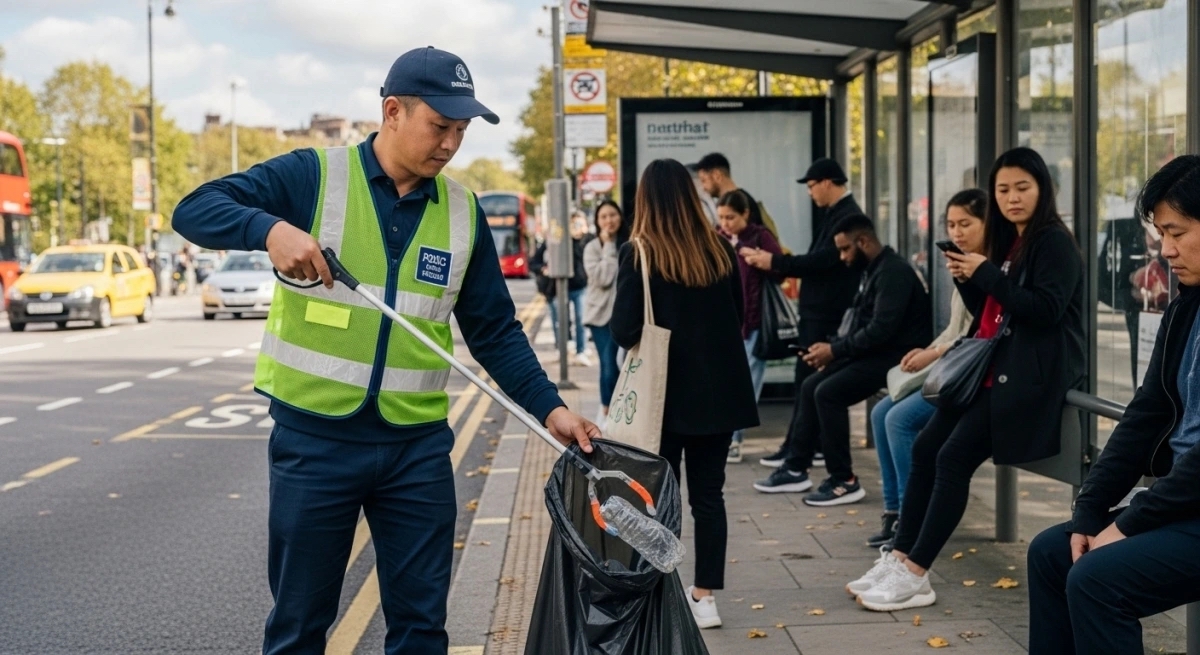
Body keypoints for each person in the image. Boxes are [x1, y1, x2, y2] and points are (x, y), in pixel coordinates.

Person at [171, 46, 598, 654]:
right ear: (392, 112)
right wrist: (270, 229)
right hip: (315, 443)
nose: (450, 144)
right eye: (440, 126)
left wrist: (550, 408)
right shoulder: (314, 176)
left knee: (421, 629)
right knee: (299, 626)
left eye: (462, 131)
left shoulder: (463, 213)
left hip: (416, 451)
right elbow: (193, 209)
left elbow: (495, 331)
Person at [852, 147, 1085, 612]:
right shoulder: (1013, 241)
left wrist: (986, 273)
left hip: (1023, 380)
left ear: (1042, 189)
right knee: (926, 448)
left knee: (953, 458)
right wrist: (968, 276)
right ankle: (899, 557)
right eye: (1003, 189)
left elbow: (1044, 311)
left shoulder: (1053, 242)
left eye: (1023, 188)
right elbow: (992, 315)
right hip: (988, 373)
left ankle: (916, 573)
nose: (1012, 198)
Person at [1026, 155, 1200, 655]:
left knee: (1098, 578)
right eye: (1160, 234)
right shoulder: (1186, 305)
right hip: (1183, 502)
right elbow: (1146, 412)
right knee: (1052, 553)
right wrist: (1090, 509)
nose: (1166, 250)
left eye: (1177, 232)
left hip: (1189, 502)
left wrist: (1126, 523)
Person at [610, 158, 757, 630]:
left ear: (646, 200)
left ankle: (660, 590)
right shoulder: (720, 250)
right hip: (720, 394)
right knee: (709, 497)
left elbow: (623, 329)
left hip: (665, 398)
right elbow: (738, 315)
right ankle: (705, 597)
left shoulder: (639, 254)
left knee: (658, 497)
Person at [751, 214, 931, 504]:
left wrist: (835, 351)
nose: (843, 257)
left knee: (828, 392)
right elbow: (864, 326)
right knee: (811, 385)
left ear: (864, 242)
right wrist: (833, 350)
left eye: (846, 249)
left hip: (899, 358)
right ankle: (796, 467)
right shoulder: (874, 270)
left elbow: (880, 330)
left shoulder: (893, 272)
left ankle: (843, 479)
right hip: (877, 353)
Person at [865, 189, 985, 549]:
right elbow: (954, 329)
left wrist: (932, 355)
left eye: (966, 224)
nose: (957, 232)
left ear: (986, 224)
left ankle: (910, 518)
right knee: (880, 413)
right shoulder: (962, 264)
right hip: (952, 368)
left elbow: (978, 336)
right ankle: (893, 511)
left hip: (969, 377)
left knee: (897, 420)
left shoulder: (987, 270)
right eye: (952, 225)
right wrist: (927, 351)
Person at [742, 158, 862, 470]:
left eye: (811, 186)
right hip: (818, 312)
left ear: (827, 182)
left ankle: (800, 454)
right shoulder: (836, 213)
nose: (810, 193)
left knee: (810, 383)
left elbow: (822, 261)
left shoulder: (849, 216)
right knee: (807, 384)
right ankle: (800, 447)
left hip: (826, 314)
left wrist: (775, 262)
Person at [716, 189, 783, 463]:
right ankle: (726, 436)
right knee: (725, 383)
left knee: (747, 386)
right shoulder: (717, 238)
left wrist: (760, 260)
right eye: (721, 218)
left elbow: (781, 270)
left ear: (745, 213)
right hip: (726, 324)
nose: (725, 224)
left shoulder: (760, 236)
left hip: (754, 323)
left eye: (730, 217)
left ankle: (734, 439)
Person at [583, 200, 629, 420]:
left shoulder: (629, 243)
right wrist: (609, 246)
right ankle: (608, 412)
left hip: (625, 315)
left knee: (625, 365)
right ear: (597, 221)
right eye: (603, 216)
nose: (609, 220)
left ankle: (622, 411)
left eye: (613, 215)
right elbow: (603, 278)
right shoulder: (592, 248)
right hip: (600, 317)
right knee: (609, 364)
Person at [530, 217, 591, 366]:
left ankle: (581, 351)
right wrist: (543, 269)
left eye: (578, 224)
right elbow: (534, 262)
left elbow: (583, 258)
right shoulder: (554, 241)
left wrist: (579, 238)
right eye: (572, 224)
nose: (574, 227)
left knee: (580, 319)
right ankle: (562, 349)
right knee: (559, 320)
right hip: (556, 288)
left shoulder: (585, 241)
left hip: (579, 286)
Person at [693, 152, 783, 241]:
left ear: (717, 176)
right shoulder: (741, 199)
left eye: (704, 180)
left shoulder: (743, 201)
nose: (703, 187)